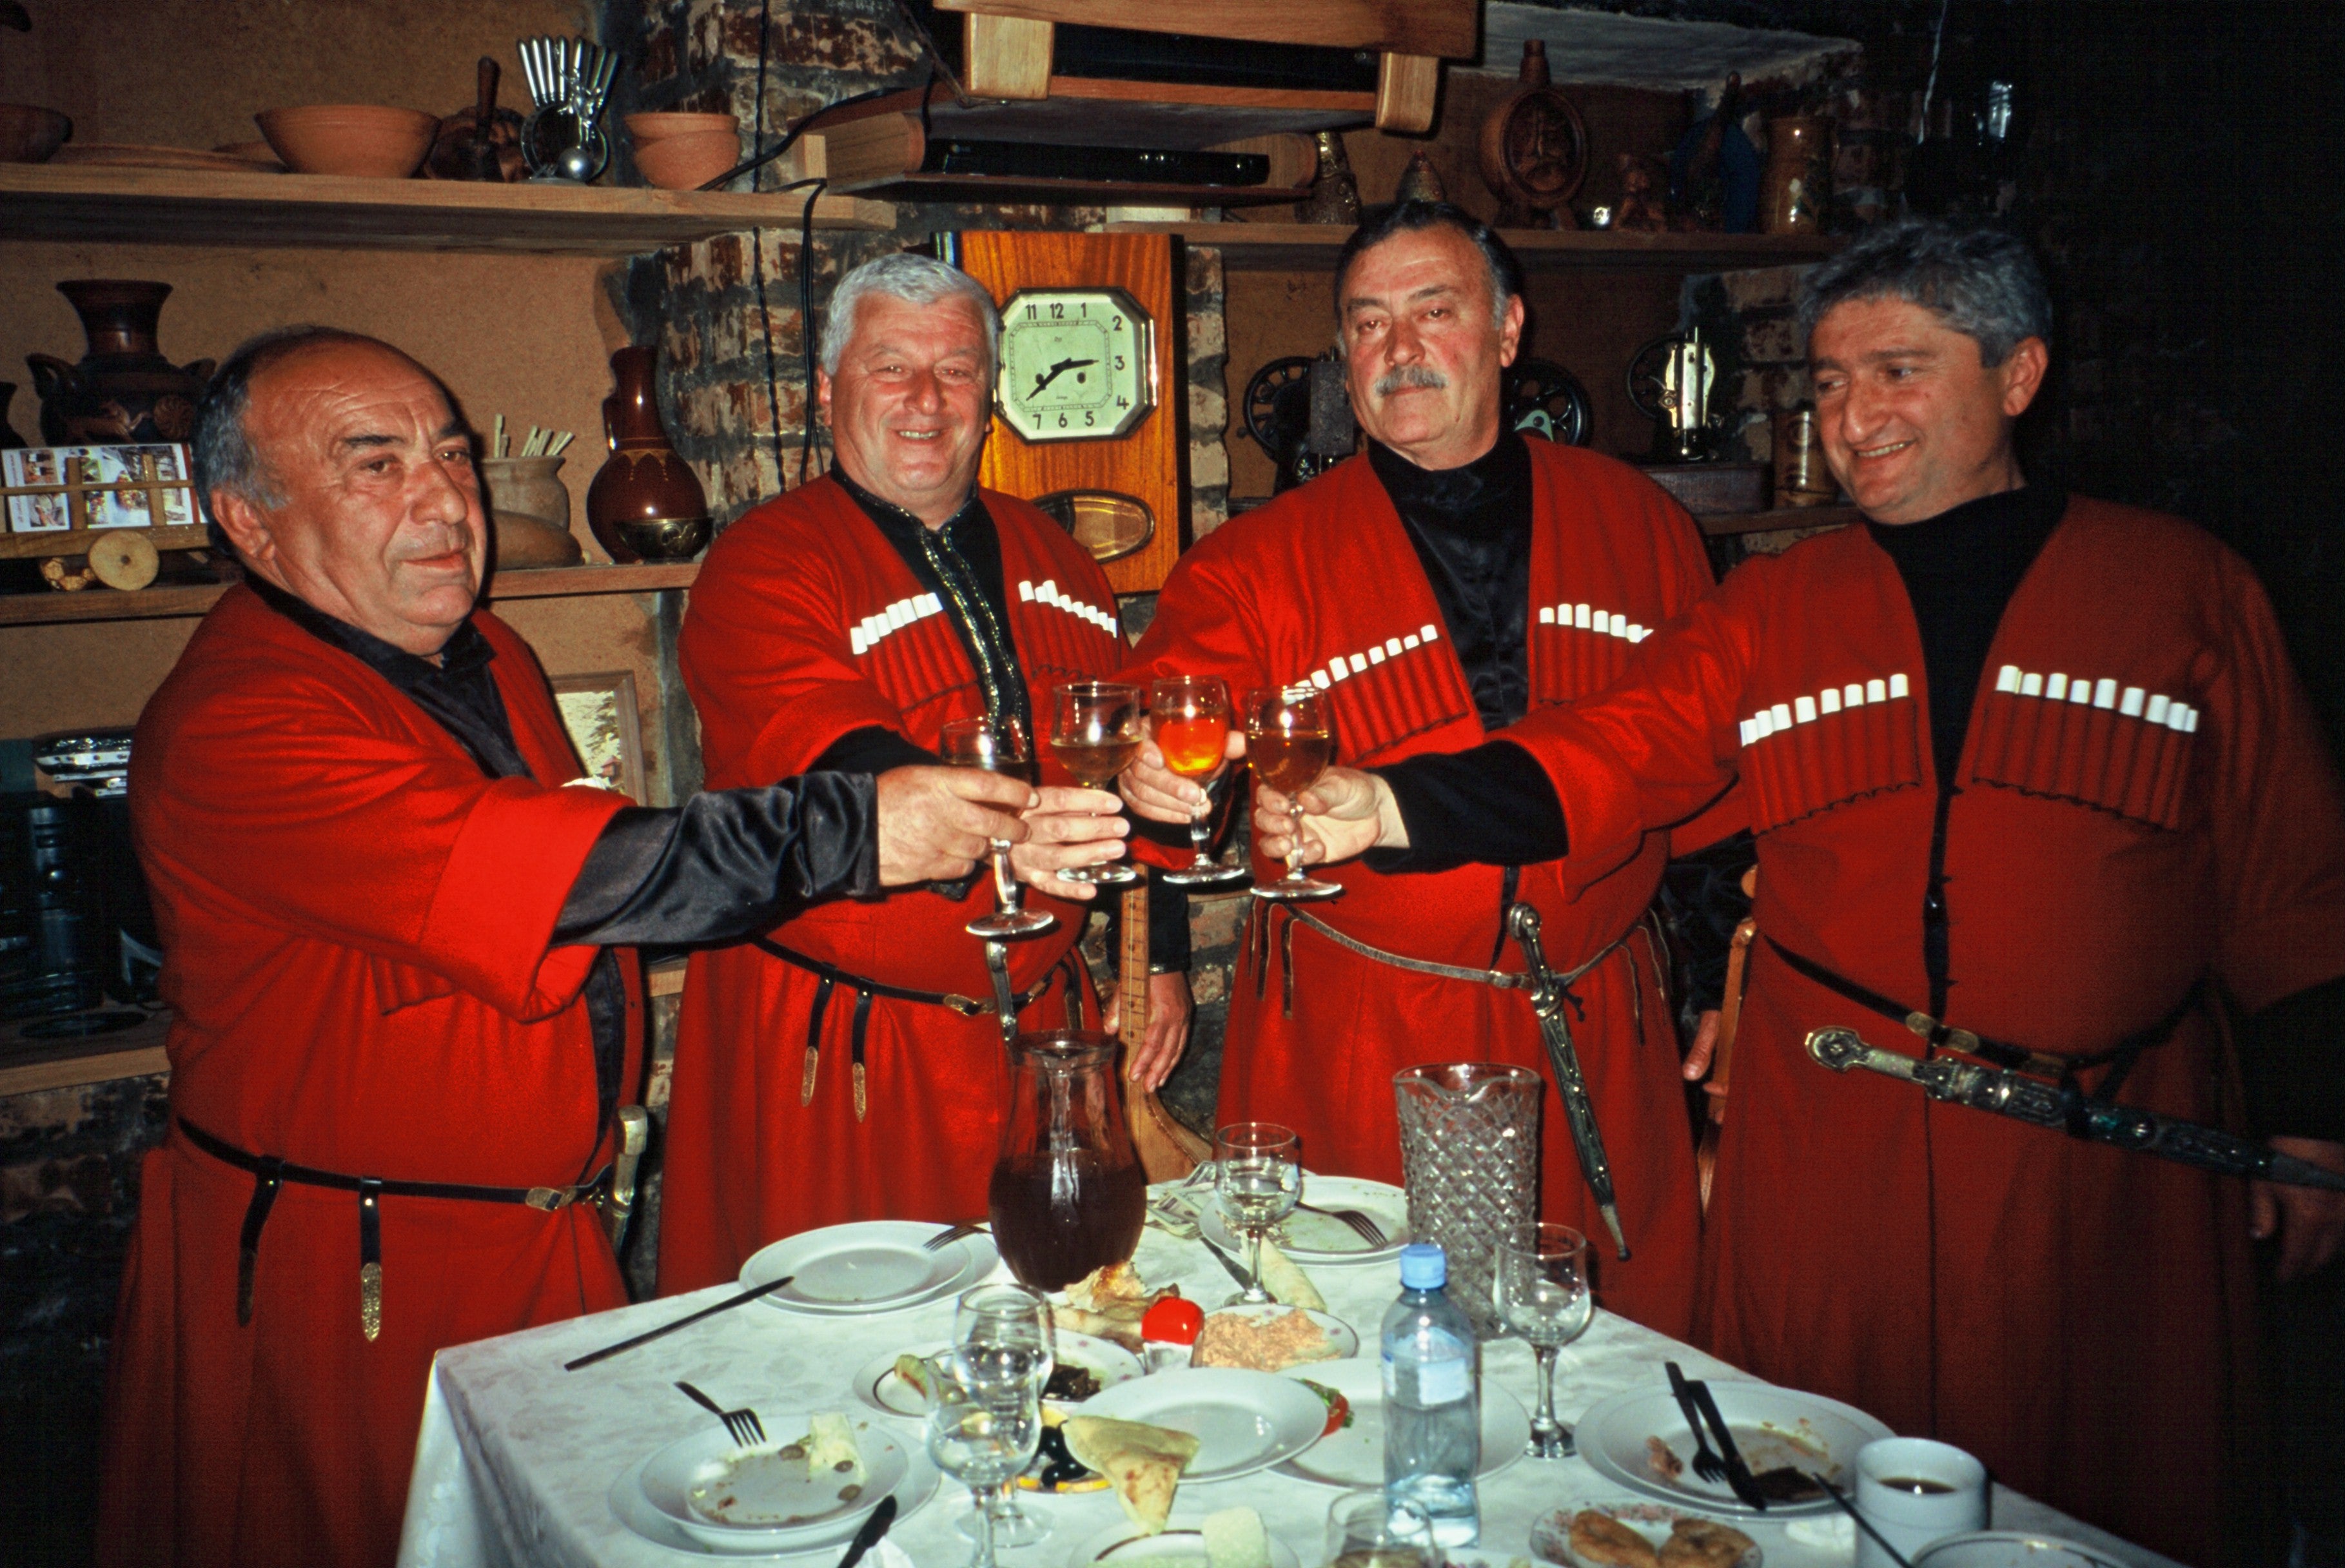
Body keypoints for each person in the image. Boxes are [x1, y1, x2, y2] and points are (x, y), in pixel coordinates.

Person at [1261, 220, 2345, 1563]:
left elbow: (2291, 877)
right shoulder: (1782, 606)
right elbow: (1626, 752)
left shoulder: (2182, 587)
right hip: (1838, 1134)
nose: (1855, 417)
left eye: (1899, 371)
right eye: (1828, 383)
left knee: (2108, 1486)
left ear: (2017, 376)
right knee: (1810, 1476)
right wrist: (1396, 801)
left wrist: (2310, 1124)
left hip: (2106, 1146)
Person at [93, 327, 1092, 1568]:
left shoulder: (480, 654)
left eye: (451, 456)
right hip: (354, 1269)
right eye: (374, 465)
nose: (443, 500)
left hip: (541, 1231)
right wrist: (860, 826)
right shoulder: (245, 724)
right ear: (246, 521)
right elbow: (582, 872)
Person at [1120, 202, 1722, 1336]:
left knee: (1614, 1364)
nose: (1398, 350)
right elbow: (1174, 749)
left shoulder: (1646, 525)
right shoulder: (1249, 563)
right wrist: (1161, 783)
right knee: (1355, 1344)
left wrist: (1711, 985)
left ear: (1505, 331)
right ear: (1342, 361)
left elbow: (1707, 771)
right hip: (1357, 1030)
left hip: (1604, 1016)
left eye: (1432, 313)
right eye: (1367, 323)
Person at [658, 252, 1190, 1292]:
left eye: (954, 370)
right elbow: (840, 754)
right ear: (826, 390)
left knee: (1056, 1316)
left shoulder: (1066, 566)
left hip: (1044, 1031)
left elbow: (1130, 777)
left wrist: (1155, 951)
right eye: (890, 367)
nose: (924, 399)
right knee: (848, 1361)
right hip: (846, 1047)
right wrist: (1009, 826)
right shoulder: (762, 566)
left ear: (990, 394)